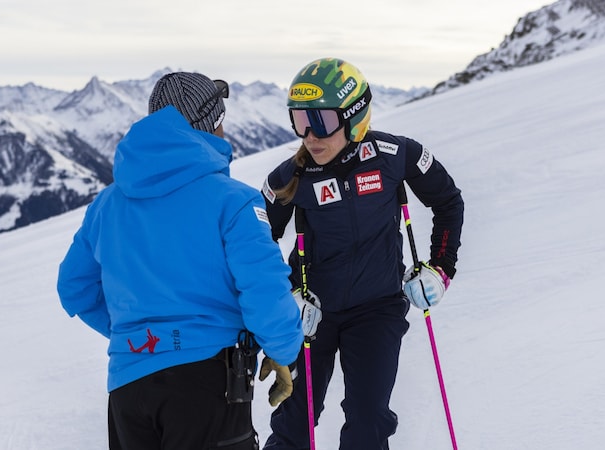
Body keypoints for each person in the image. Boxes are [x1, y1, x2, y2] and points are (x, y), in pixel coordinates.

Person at [57, 72, 304, 450]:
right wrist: (284, 350)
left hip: (128, 385)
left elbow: (74, 287)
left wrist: (139, 338)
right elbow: (264, 288)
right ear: (211, 124)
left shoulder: (107, 205)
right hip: (208, 383)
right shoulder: (233, 201)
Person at [260, 57, 464, 449]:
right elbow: (255, 245)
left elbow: (448, 202)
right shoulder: (289, 179)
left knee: (368, 422)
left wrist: (440, 269)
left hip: (377, 309)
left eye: (321, 122)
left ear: (355, 116)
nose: (309, 136)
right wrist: (286, 294)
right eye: (300, 122)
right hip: (312, 317)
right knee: (294, 425)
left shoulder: (396, 155)